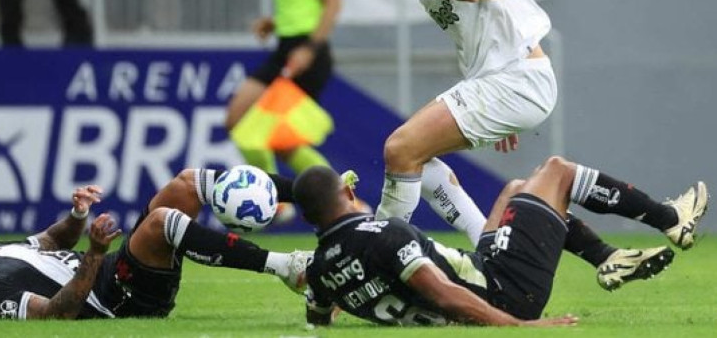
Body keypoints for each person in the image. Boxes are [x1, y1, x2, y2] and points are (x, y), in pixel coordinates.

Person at [292, 160, 708, 326]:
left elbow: (318, 321)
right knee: (556, 173)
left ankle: (608, 256)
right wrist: (523, 325)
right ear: (347, 195)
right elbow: (445, 294)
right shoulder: (386, 233)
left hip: (484, 270)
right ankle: (672, 219)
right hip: (503, 291)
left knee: (516, 190)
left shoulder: (320, 271)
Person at [369, 0, 560, 237]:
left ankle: (377, 255)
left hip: (519, 77)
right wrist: (492, 100)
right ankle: (484, 243)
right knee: (415, 159)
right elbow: (473, 37)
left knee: (400, 148)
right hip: (500, 80)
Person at [0, 167, 311, 319]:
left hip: (115, 269)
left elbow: (51, 239)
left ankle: (319, 198)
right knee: (161, 222)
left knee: (188, 184)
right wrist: (96, 254)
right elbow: (54, 314)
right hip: (119, 299)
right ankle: (287, 267)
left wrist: (79, 216)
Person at [225, 0, 342, 186]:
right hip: (286, 47)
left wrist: (310, 49)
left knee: (247, 125)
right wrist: (274, 22)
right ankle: (342, 198)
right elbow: (302, 4)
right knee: (280, 140)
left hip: (306, 53)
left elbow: (332, 3)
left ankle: (273, 198)